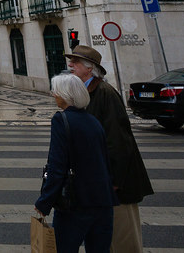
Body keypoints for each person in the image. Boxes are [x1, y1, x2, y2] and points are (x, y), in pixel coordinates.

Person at [66, 45, 153, 253]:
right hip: (98, 182)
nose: (70, 65)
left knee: (123, 240)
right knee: (104, 238)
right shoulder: (86, 93)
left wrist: (114, 181)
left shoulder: (105, 93)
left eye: (75, 62)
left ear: (90, 68)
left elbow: (119, 141)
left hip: (116, 185)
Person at [35, 73, 117, 253]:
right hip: (103, 202)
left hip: (76, 203)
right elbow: (105, 160)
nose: (53, 94)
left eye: (55, 91)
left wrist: (44, 202)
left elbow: (57, 167)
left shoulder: (61, 120)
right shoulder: (93, 121)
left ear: (65, 95)